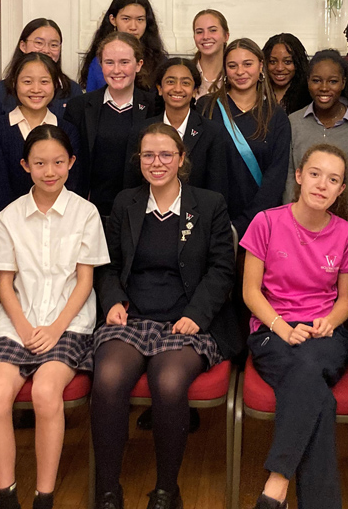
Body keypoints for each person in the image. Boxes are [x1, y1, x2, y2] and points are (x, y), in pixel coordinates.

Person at [91, 123, 239, 509]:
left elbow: (222, 269)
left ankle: (166, 490)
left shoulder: (209, 204)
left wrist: (196, 315)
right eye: (148, 155)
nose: (157, 163)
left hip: (186, 319)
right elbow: (107, 266)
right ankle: (107, 490)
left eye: (166, 154)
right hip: (133, 316)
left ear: (181, 158)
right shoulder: (125, 203)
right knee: (108, 377)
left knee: (169, 382)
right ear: (138, 160)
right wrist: (113, 301)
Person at [0, 125, 108, 509]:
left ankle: (43, 496)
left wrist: (54, 329)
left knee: (47, 393)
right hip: (18, 323)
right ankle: (7, 497)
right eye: (40, 163)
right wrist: (25, 327)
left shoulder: (86, 213)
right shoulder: (9, 216)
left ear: (71, 163)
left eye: (58, 162)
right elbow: (4, 285)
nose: (50, 171)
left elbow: (85, 281)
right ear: (25, 166)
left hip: (69, 324)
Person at [241, 143, 348, 509]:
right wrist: (282, 327)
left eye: (333, 180)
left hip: (326, 333)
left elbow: (346, 300)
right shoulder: (266, 221)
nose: (322, 185)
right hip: (272, 329)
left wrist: (329, 322)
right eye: (315, 174)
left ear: (341, 190)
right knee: (315, 389)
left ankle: (276, 484)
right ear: (299, 176)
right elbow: (250, 291)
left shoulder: (346, 233)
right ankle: (285, 490)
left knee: (308, 365)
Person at [198, 38, 291, 238]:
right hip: (212, 222)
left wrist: (243, 224)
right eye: (233, 66)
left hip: (261, 224)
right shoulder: (207, 107)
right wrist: (215, 221)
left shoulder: (276, 116)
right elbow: (199, 167)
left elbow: (276, 177)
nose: (240, 72)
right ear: (225, 70)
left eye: (247, 64)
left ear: (261, 66)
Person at [64, 32, 158, 217]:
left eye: (124, 62)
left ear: (139, 65)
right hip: (91, 210)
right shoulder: (79, 107)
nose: (116, 70)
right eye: (109, 62)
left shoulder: (155, 106)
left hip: (142, 210)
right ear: (100, 65)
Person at [0, 52, 82, 218]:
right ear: (14, 83)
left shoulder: (68, 131)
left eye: (44, 82)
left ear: (55, 84)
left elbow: (73, 187)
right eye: (27, 82)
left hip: (60, 225)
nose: (36, 89)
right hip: (9, 226)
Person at [124, 57, 228, 195]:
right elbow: (131, 187)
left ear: (195, 91)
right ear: (159, 89)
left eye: (185, 83)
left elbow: (217, 189)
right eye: (170, 82)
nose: (178, 89)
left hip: (198, 207)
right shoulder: (141, 130)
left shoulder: (212, 132)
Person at [283, 49, 348, 203]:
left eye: (333, 81)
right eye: (316, 80)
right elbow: (289, 178)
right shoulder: (293, 123)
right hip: (301, 214)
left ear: (343, 83)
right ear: (308, 81)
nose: (324, 88)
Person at [79, 0, 168, 93]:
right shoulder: (99, 60)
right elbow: (92, 99)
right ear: (113, 20)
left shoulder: (159, 61)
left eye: (140, 20)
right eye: (126, 19)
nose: (133, 27)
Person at [0, 17, 79, 117]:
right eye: (39, 43)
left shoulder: (72, 90)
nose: (46, 50)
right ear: (23, 46)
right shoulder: (1, 90)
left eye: (53, 45)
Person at [262, 33, 311, 115]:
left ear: (298, 64)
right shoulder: (256, 92)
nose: (279, 68)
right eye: (272, 62)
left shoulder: (309, 95)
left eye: (287, 62)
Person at [192, 9, 230, 99]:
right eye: (199, 32)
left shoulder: (235, 74)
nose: (205, 37)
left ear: (226, 36)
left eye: (213, 30)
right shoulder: (186, 72)